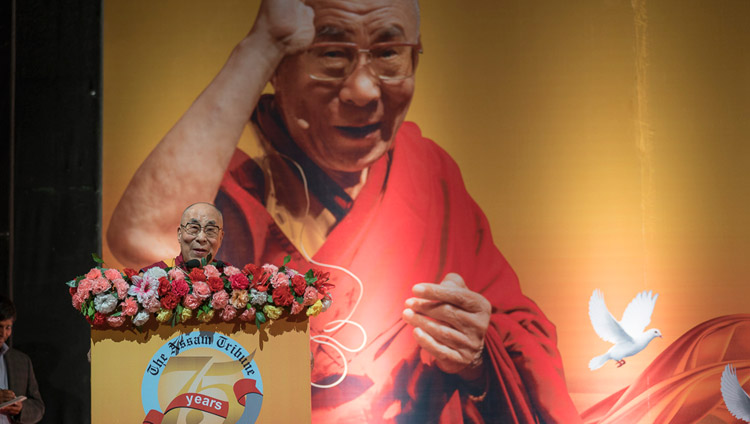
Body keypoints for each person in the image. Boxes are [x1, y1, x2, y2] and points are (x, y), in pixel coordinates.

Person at [108, 0, 582, 422]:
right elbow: (141, 240)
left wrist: (475, 357)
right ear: (278, 67)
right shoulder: (225, 179)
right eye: (332, 55)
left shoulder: (428, 173)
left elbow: (522, 341)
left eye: (388, 53)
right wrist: (262, 43)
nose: (363, 90)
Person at [141, 202, 227, 271]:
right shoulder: (154, 277)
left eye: (210, 230)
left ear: (220, 238)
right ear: (179, 234)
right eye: (194, 228)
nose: (201, 238)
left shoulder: (232, 281)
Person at [0, 296, 44, 424]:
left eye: (8, 327)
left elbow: (38, 407)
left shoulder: (22, 361)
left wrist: (21, 408)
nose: (3, 333)